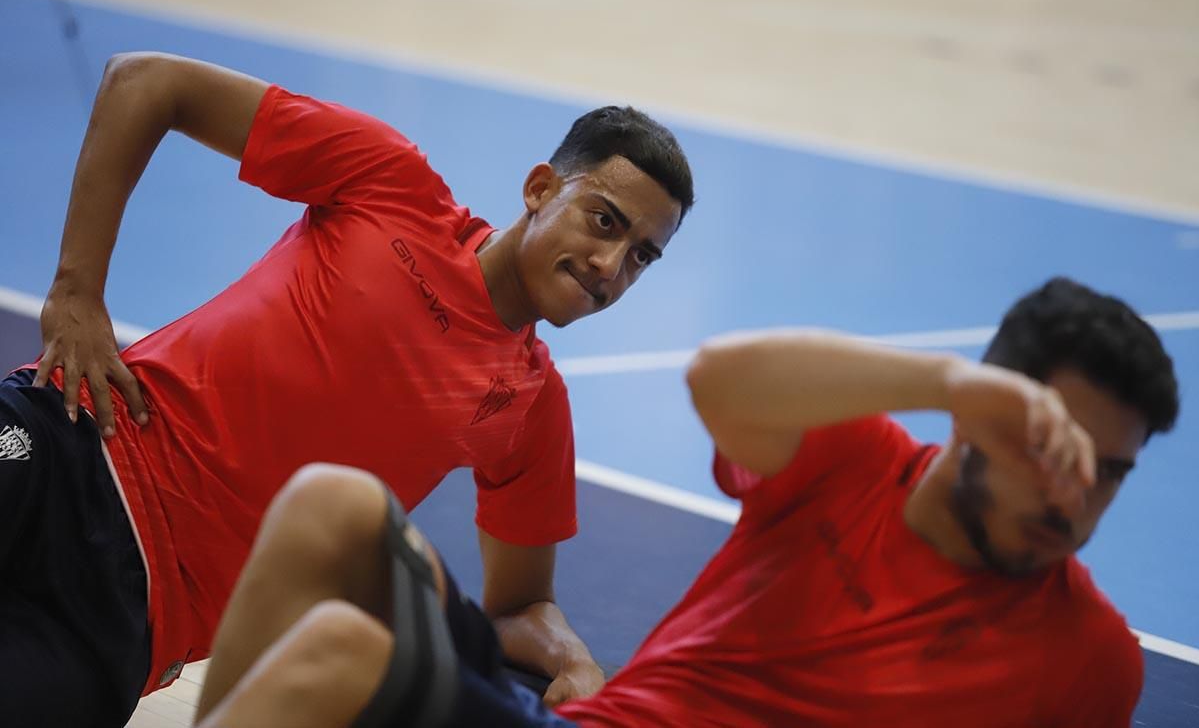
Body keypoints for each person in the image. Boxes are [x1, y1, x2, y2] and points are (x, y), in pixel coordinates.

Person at [0, 52, 693, 726]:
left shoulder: (534, 409)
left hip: (132, 616)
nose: (611, 265)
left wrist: (574, 658)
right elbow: (146, 82)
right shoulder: (394, 185)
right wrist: (76, 290)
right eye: (604, 220)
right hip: (73, 443)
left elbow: (517, 607)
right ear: (541, 187)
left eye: (641, 256)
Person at [192, 277, 1176, 727]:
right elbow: (720, 381)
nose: (1075, 497)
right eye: (1057, 450)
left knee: (341, 656)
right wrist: (950, 382)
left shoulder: (1086, 659)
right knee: (332, 504)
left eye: (1112, 473)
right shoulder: (855, 456)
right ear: (979, 422)